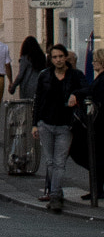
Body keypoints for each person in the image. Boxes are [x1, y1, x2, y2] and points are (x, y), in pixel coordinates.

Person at [33, 41, 85, 213]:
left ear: (66, 57)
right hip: (46, 123)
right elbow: (38, 100)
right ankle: (56, 191)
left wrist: (75, 94)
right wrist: (35, 124)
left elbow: (87, 90)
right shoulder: (45, 75)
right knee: (50, 162)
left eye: (61, 56)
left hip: (65, 125)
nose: (58, 60)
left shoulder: (75, 75)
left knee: (59, 162)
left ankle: (55, 197)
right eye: (55, 57)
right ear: (51, 59)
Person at [2, 34, 47, 176]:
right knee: (37, 112)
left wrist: (13, 86)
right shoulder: (41, 58)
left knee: (25, 118)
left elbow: (21, 75)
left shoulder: (25, 59)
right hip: (39, 89)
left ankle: (26, 146)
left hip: (28, 89)